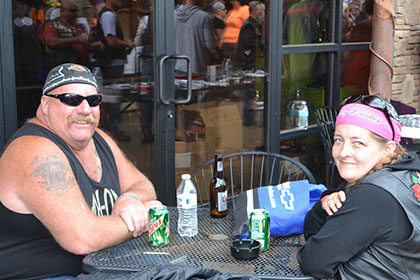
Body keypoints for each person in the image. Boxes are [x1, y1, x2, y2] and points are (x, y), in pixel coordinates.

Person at [0, 63, 161, 279]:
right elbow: (82, 238)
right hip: (45, 274)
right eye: (71, 99)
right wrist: (143, 218)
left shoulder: (99, 138)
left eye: (93, 100)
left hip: (103, 265)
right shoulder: (34, 151)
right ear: (46, 104)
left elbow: (143, 186)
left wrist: (130, 199)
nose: (84, 109)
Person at [298, 94, 420, 279]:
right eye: (339, 139)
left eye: (358, 143)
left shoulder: (373, 195)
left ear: (387, 148)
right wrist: (326, 201)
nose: (344, 152)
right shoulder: (404, 173)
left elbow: (313, 261)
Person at [95, 0, 136, 141]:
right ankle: (113, 130)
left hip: (111, 63)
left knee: (111, 98)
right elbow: (111, 41)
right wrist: (127, 43)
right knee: (113, 98)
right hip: (111, 64)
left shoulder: (109, 14)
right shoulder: (108, 15)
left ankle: (111, 129)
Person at [174, 0, 219, 75]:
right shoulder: (204, 17)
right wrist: (216, 55)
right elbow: (209, 43)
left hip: (177, 65)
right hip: (198, 65)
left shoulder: (173, 15)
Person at [43, 0, 90, 69]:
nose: (76, 14)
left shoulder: (80, 25)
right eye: (73, 11)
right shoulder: (53, 25)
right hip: (63, 67)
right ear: (63, 11)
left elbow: (86, 42)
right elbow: (51, 42)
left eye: (77, 11)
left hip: (82, 67)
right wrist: (75, 39)